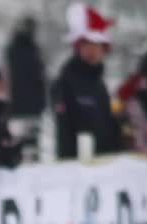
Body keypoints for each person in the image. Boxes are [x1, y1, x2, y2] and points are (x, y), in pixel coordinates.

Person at [52, 3, 122, 159]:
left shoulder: (101, 85)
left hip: (105, 165)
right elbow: (64, 133)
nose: (92, 51)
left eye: (97, 45)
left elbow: (109, 126)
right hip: (78, 169)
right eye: (86, 45)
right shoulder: (64, 83)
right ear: (78, 47)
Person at [6, 15, 47, 144]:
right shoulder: (29, 50)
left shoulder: (16, 49)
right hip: (24, 107)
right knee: (26, 144)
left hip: (24, 106)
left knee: (27, 144)